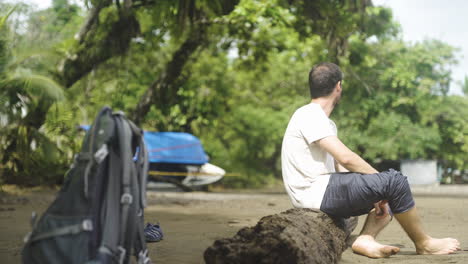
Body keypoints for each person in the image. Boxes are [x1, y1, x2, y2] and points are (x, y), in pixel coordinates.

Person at [281, 62, 460, 258]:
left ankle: (365, 239)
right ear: (338, 86)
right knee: (395, 181)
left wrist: (375, 189)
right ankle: (424, 243)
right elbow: (346, 158)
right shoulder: (310, 114)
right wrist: (381, 181)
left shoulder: (323, 121)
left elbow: (339, 166)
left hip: (322, 190)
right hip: (314, 192)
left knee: (388, 192)